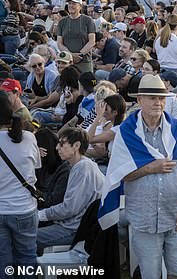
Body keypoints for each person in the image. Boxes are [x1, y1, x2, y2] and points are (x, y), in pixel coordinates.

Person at [98, 74, 177, 279]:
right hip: (144, 218)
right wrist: (150, 168)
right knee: (151, 274)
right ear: (139, 100)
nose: (158, 102)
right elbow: (121, 175)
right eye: (152, 97)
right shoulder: (127, 132)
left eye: (162, 98)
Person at [36, 128, 104, 253]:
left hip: (74, 229)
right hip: (72, 225)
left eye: (62, 144)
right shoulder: (80, 166)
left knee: (23, 237)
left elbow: (69, 208)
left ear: (76, 146)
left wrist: (41, 215)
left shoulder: (83, 168)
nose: (57, 148)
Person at [0, 91, 39, 276]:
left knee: (3, 263)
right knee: (27, 260)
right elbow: (35, 168)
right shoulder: (29, 138)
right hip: (24, 209)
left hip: (2, 209)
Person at [56, 0, 96, 73]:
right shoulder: (62, 22)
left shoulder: (88, 20)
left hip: (84, 61)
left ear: (80, 6)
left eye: (74, 3)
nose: (71, 6)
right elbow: (59, 43)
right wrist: (71, 56)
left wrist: (80, 54)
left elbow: (92, 41)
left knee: (87, 83)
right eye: (69, 3)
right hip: (67, 62)